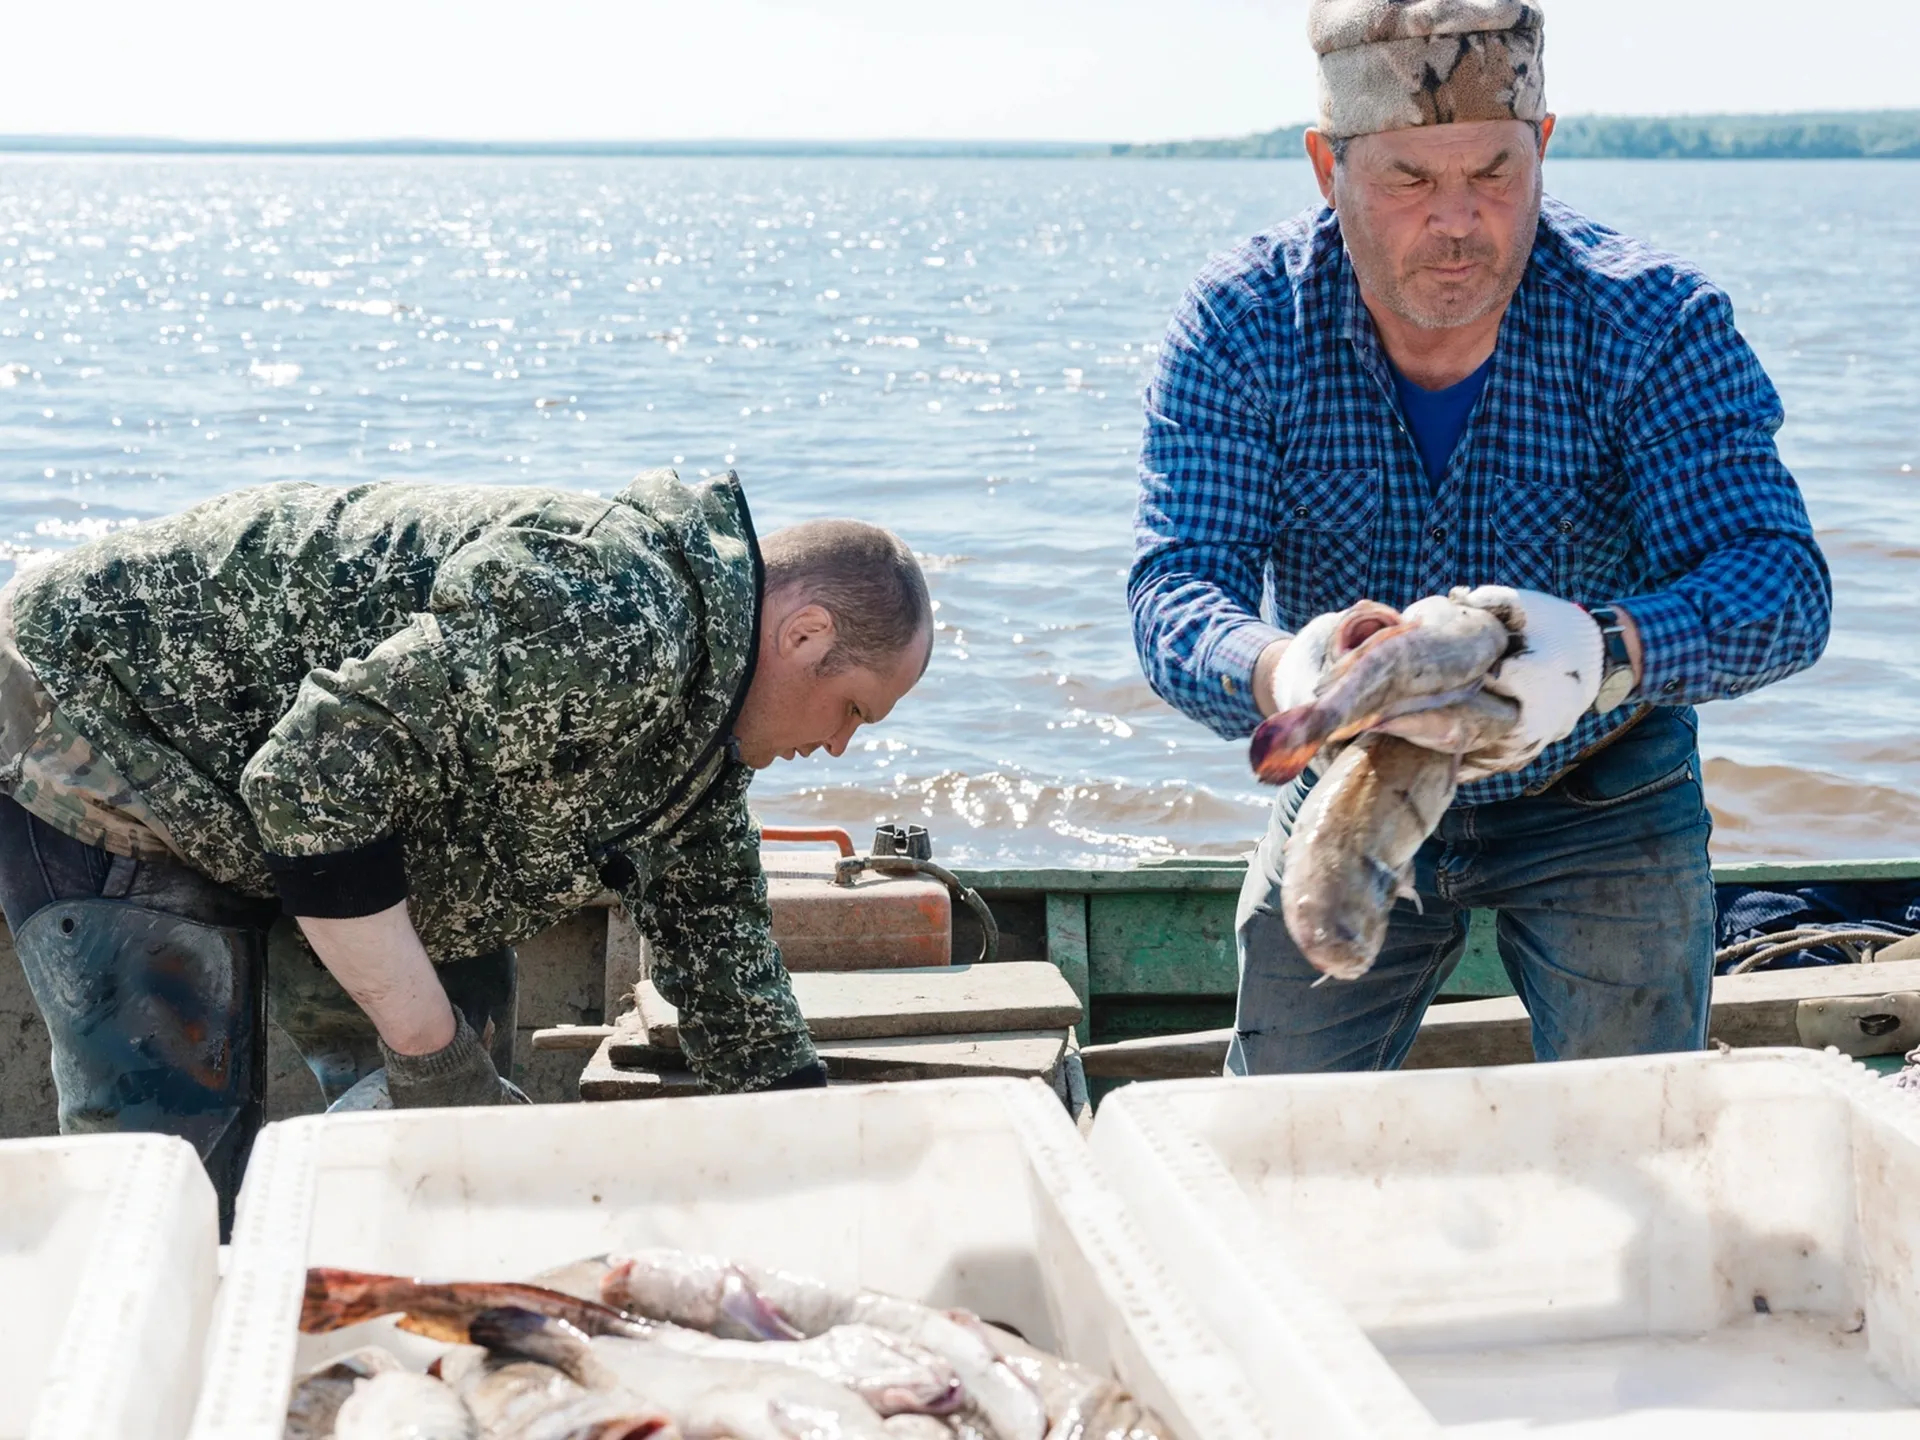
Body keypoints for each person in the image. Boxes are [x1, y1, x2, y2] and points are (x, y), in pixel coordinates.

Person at [1130, 0, 1831, 1075]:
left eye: (1495, 175)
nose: (1459, 220)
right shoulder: (1241, 324)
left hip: (1600, 785)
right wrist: (1287, 668)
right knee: (1275, 1120)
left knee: (1639, 1127)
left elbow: (1781, 584)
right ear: (1328, 166)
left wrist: (1606, 650)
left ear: (1542, 145)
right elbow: (1177, 588)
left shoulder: (1656, 320)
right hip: (1356, 777)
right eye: (1411, 180)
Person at [0, 467, 930, 1220]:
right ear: (805, 633)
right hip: (109, 727)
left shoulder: (699, 751)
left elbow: (728, 966)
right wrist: (430, 1052)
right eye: (853, 710)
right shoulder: (614, 618)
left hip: (300, 797)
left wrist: (823, 1170)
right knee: (176, 1178)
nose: (841, 745)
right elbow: (310, 781)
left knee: (453, 1162)